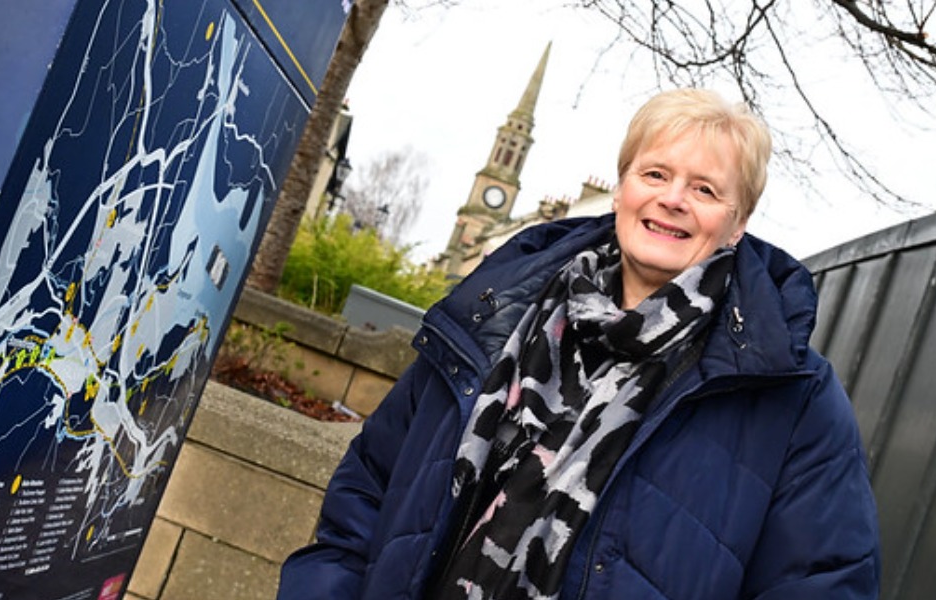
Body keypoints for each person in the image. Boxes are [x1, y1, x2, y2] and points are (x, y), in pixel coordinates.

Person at [277, 89, 880, 599]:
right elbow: (367, 489)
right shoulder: (489, 319)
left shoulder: (793, 395)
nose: (673, 198)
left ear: (738, 221)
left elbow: (823, 581)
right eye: (656, 174)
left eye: (705, 189)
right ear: (621, 190)